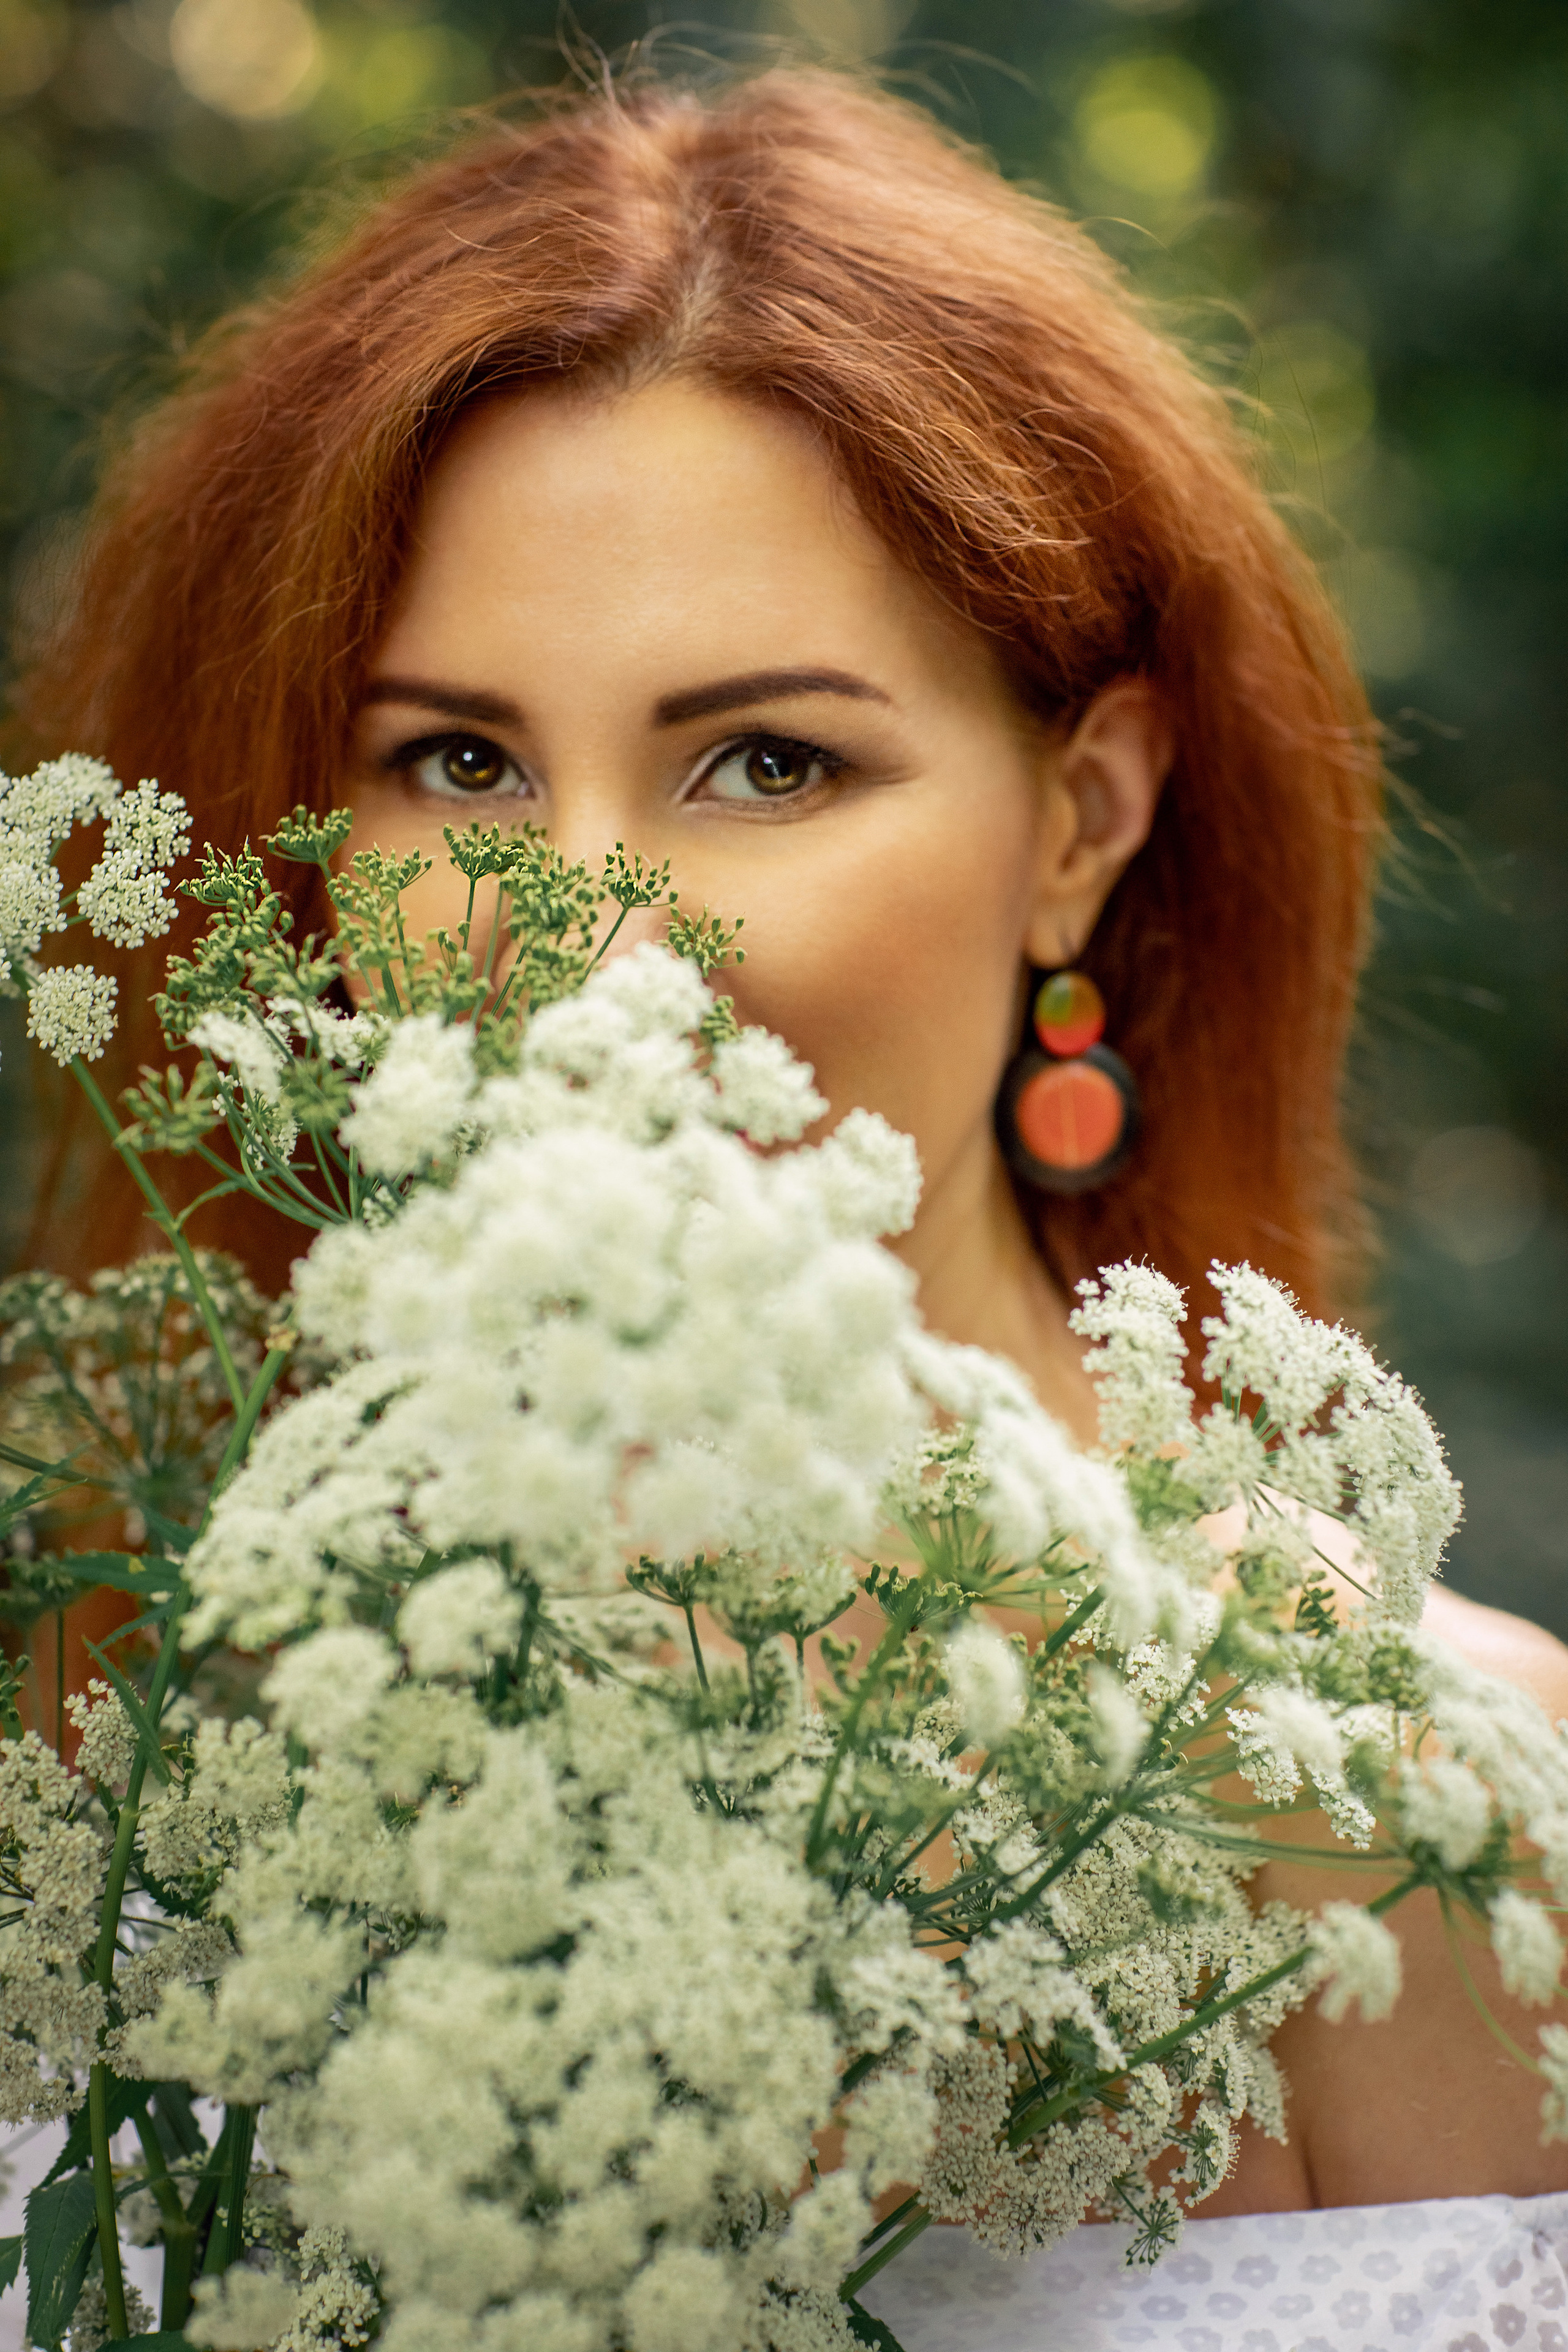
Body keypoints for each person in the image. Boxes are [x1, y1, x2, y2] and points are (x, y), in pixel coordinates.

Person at [16, 61, 1568, 2331]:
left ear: (1086, 820)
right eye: (453, 762)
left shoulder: (1402, 1805)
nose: (583, 936)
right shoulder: (115, 1732)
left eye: (768, 763)